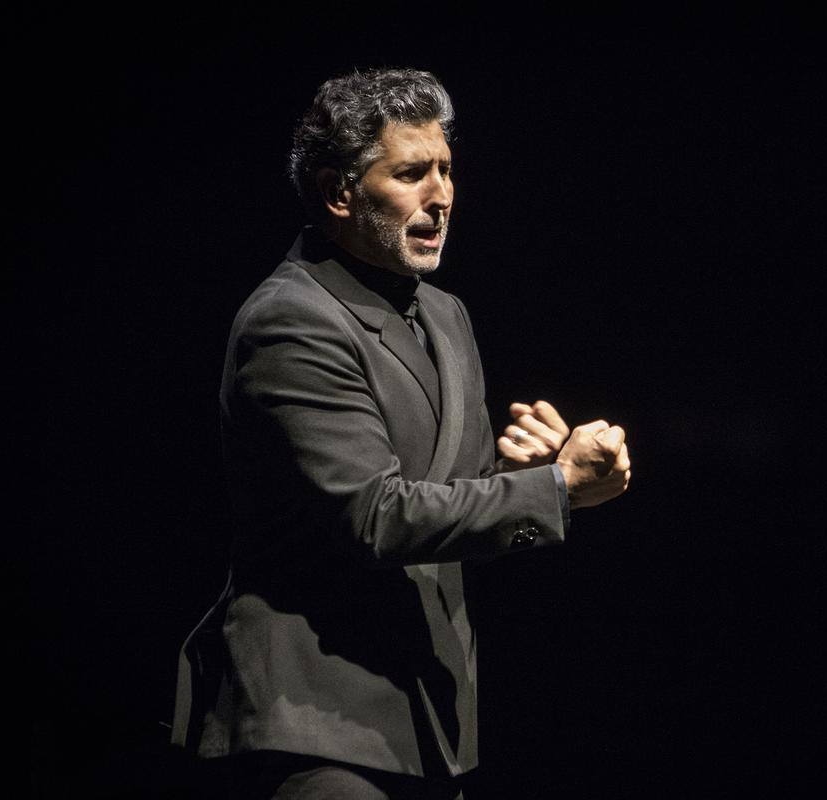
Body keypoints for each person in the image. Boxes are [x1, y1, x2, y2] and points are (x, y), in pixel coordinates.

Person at [171, 67, 631, 799]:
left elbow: (452, 501)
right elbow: (376, 517)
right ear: (338, 191)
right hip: (318, 721)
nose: (442, 196)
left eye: (446, 170)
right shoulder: (293, 321)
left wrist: (535, 471)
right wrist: (551, 491)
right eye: (412, 173)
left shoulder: (446, 316)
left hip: (424, 724)